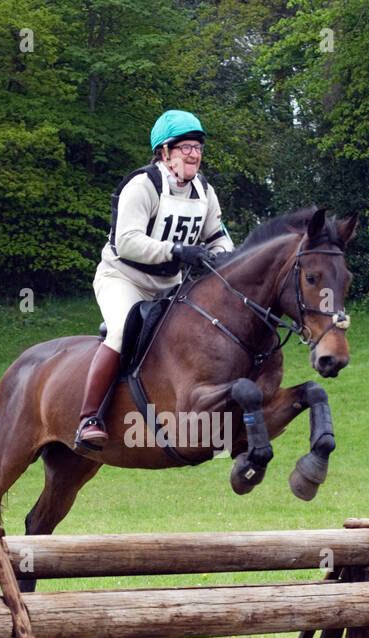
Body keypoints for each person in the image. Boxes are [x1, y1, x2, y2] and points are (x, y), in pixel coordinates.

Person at [75, 109, 236, 449]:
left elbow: (218, 236)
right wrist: (178, 251)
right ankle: (89, 417)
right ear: (164, 153)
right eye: (184, 148)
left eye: (197, 147)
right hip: (123, 277)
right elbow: (128, 240)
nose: (193, 154)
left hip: (168, 285)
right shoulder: (143, 185)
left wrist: (223, 257)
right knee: (122, 331)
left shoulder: (204, 191)